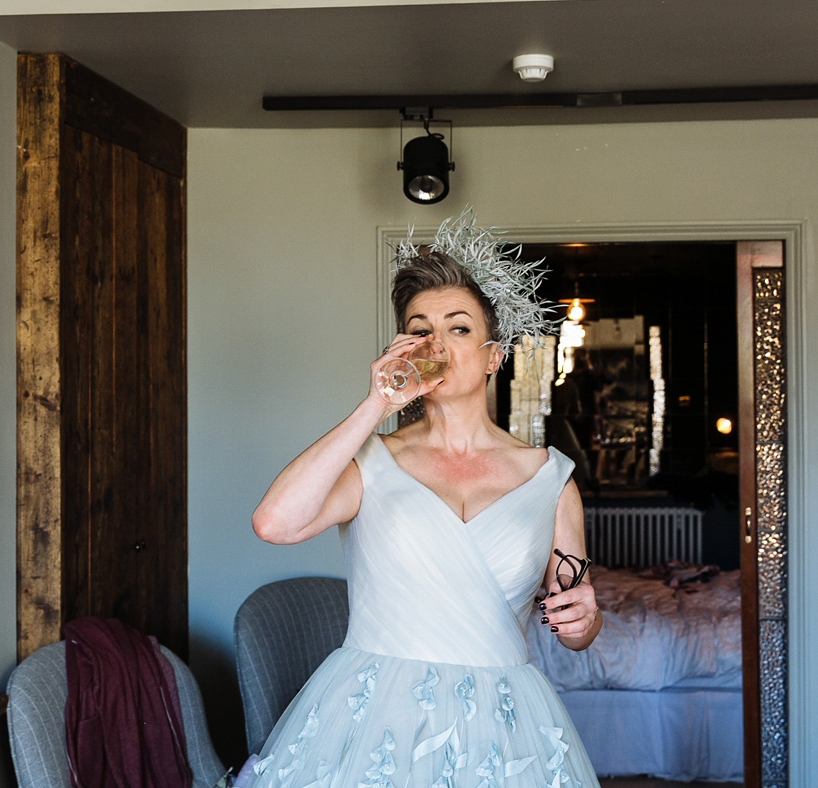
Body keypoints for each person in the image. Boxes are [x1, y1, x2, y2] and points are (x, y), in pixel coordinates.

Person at [248, 212, 602, 788]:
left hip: (506, 727)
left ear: (494, 356)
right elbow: (274, 523)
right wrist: (375, 407)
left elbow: (576, 624)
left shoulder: (549, 479)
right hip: (373, 722)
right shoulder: (371, 461)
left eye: (458, 328)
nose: (435, 342)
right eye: (420, 328)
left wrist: (586, 618)